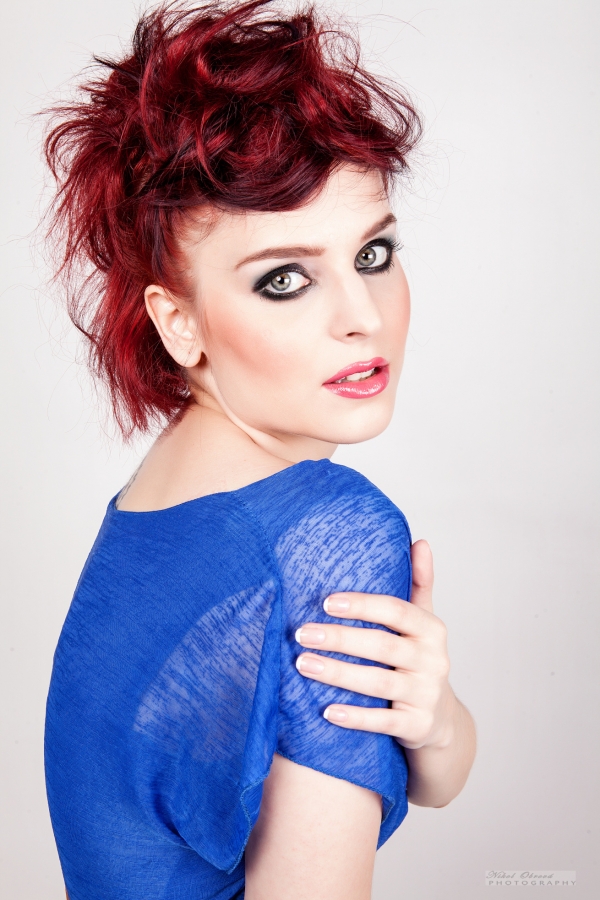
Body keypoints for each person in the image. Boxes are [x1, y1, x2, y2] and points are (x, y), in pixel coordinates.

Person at [42, 2, 476, 898]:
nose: (362, 316)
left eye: (373, 253)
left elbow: (427, 775)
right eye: (284, 279)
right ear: (178, 322)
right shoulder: (328, 533)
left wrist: (432, 719)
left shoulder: (154, 497)